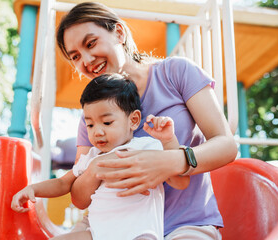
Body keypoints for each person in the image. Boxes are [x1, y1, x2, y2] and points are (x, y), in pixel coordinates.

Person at [56, 2, 238, 239]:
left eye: (91, 44)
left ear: (119, 33)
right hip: (108, 228)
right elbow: (79, 197)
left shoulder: (176, 73)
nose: (87, 60)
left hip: (183, 224)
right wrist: (92, 172)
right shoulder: (92, 116)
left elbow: (226, 144)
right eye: (76, 57)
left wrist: (171, 162)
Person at [11, 74, 189, 240]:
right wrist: (34, 189)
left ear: (134, 120)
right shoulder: (92, 156)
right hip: (97, 233)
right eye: (90, 124)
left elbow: (180, 181)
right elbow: (63, 183)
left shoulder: (147, 146)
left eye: (107, 122)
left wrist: (168, 140)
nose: (97, 132)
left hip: (139, 233)